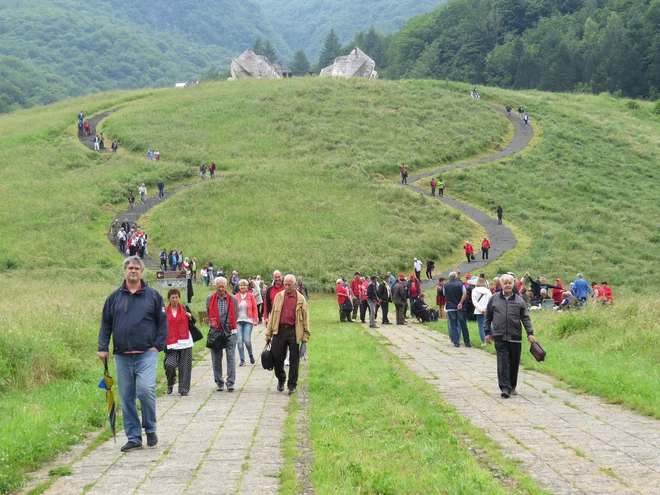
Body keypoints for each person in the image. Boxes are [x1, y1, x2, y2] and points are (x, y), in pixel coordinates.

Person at [98, 256, 167, 452]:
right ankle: (134, 437)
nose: (133, 271)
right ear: (125, 271)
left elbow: (162, 324)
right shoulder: (114, 297)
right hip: (122, 355)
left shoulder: (153, 296)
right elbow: (106, 324)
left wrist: (157, 346)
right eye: (130, 268)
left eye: (137, 268)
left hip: (146, 352)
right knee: (126, 396)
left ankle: (150, 428)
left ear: (142, 271)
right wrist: (103, 347)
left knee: (145, 390)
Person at [484, 273, 536, 398]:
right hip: (499, 336)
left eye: (510, 283)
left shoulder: (519, 301)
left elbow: (525, 318)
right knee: (502, 362)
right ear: (501, 284)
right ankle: (504, 388)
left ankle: (512, 386)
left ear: (513, 284)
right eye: (505, 283)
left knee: (514, 362)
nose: (507, 285)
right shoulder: (494, 299)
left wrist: (530, 333)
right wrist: (487, 332)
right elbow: (488, 316)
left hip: (515, 336)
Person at [265, 274, 310, 395]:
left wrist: (305, 337)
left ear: (294, 284)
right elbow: (273, 315)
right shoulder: (279, 296)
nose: (287, 286)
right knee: (277, 358)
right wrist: (268, 333)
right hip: (279, 330)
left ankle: (292, 385)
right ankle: (281, 378)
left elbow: (305, 319)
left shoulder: (301, 299)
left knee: (294, 359)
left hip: (294, 331)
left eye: (289, 284)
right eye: (285, 284)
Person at [206, 277, 238, 392]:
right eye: (219, 286)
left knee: (231, 357)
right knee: (216, 358)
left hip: (230, 332)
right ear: (215, 287)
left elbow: (236, 314)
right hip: (216, 332)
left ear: (226, 286)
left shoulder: (233, 299)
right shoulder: (210, 299)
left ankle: (230, 382)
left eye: (222, 286)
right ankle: (219, 382)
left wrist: (230, 326)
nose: (221, 289)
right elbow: (209, 314)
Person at [164, 288, 194, 396]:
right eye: (172, 297)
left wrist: (190, 317)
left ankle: (183, 389)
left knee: (185, 366)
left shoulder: (185, 308)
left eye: (176, 297)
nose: (175, 299)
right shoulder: (164, 311)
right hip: (171, 342)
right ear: (169, 299)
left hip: (185, 341)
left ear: (179, 298)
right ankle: (170, 383)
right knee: (170, 365)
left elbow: (192, 322)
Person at [444, 271, 471, 347]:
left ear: (449, 277)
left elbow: (444, 294)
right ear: (456, 277)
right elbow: (465, 293)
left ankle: (456, 342)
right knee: (463, 325)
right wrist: (460, 302)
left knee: (453, 325)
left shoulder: (446, 285)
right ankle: (467, 342)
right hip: (460, 307)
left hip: (450, 307)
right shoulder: (460, 284)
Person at [235, 279, 258, 367]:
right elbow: (233, 310)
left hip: (248, 320)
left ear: (247, 287)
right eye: (241, 285)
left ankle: (251, 355)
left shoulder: (251, 296)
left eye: (244, 285)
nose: (242, 287)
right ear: (239, 286)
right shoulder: (236, 296)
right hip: (238, 321)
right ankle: (242, 359)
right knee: (239, 340)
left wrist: (255, 320)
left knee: (247, 340)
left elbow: (255, 308)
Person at [472, 278, 492, 345]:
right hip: (487, 310)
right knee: (488, 325)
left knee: (481, 326)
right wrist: (486, 309)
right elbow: (491, 301)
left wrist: (481, 309)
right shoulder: (488, 291)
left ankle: (484, 341)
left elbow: (474, 302)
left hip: (478, 310)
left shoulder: (474, 291)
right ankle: (492, 338)